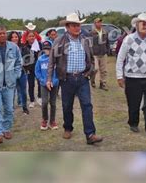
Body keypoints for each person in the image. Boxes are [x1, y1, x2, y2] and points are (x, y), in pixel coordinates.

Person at [47, 13, 103, 145]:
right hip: (66, 79)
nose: (77, 27)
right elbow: (51, 62)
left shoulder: (85, 40)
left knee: (87, 105)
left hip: (83, 78)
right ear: (67, 27)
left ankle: (90, 134)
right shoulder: (59, 41)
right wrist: (49, 78)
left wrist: (90, 71)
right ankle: (67, 127)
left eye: (79, 25)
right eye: (74, 25)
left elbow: (90, 57)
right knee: (67, 106)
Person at [116, 13, 146, 140]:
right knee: (133, 103)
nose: (144, 25)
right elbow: (120, 58)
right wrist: (120, 76)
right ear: (136, 25)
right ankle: (133, 122)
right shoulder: (128, 39)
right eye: (141, 22)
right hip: (133, 78)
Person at [35, 41, 59, 131]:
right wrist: (43, 81)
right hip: (44, 84)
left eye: (48, 48)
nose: (47, 50)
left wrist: (54, 81)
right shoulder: (40, 59)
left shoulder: (56, 59)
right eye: (45, 49)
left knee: (53, 103)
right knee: (44, 102)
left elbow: (58, 72)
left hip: (54, 84)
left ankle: (52, 121)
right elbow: (37, 71)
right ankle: (44, 119)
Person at [8, 31, 29, 115]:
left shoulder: (23, 48)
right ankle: (10, 108)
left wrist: (24, 63)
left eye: (16, 37)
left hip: (22, 72)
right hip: (11, 73)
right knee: (11, 91)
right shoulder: (7, 48)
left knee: (23, 91)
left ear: (19, 38)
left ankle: (24, 107)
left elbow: (29, 58)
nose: (14, 38)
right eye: (12, 37)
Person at [21, 31, 42, 108]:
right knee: (31, 84)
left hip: (38, 67)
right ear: (26, 38)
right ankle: (32, 100)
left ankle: (40, 97)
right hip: (29, 68)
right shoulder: (24, 46)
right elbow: (24, 58)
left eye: (33, 36)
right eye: (30, 36)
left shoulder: (39, 45)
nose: (31, 37)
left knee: (40, 83)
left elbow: (41, 55)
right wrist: (26, 67)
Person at [90, 18, 110, 91]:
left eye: (100, 22)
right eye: (98, 22)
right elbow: (90, 43)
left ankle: (103, 83)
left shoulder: (105, 32)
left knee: (104, 70)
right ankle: (92, 81)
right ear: (95, 24)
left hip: (103, 53)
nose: (99, 24)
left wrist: (107, 50)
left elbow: (107, 42)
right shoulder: (92, 33)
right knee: (95, 69)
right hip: (95, 54)